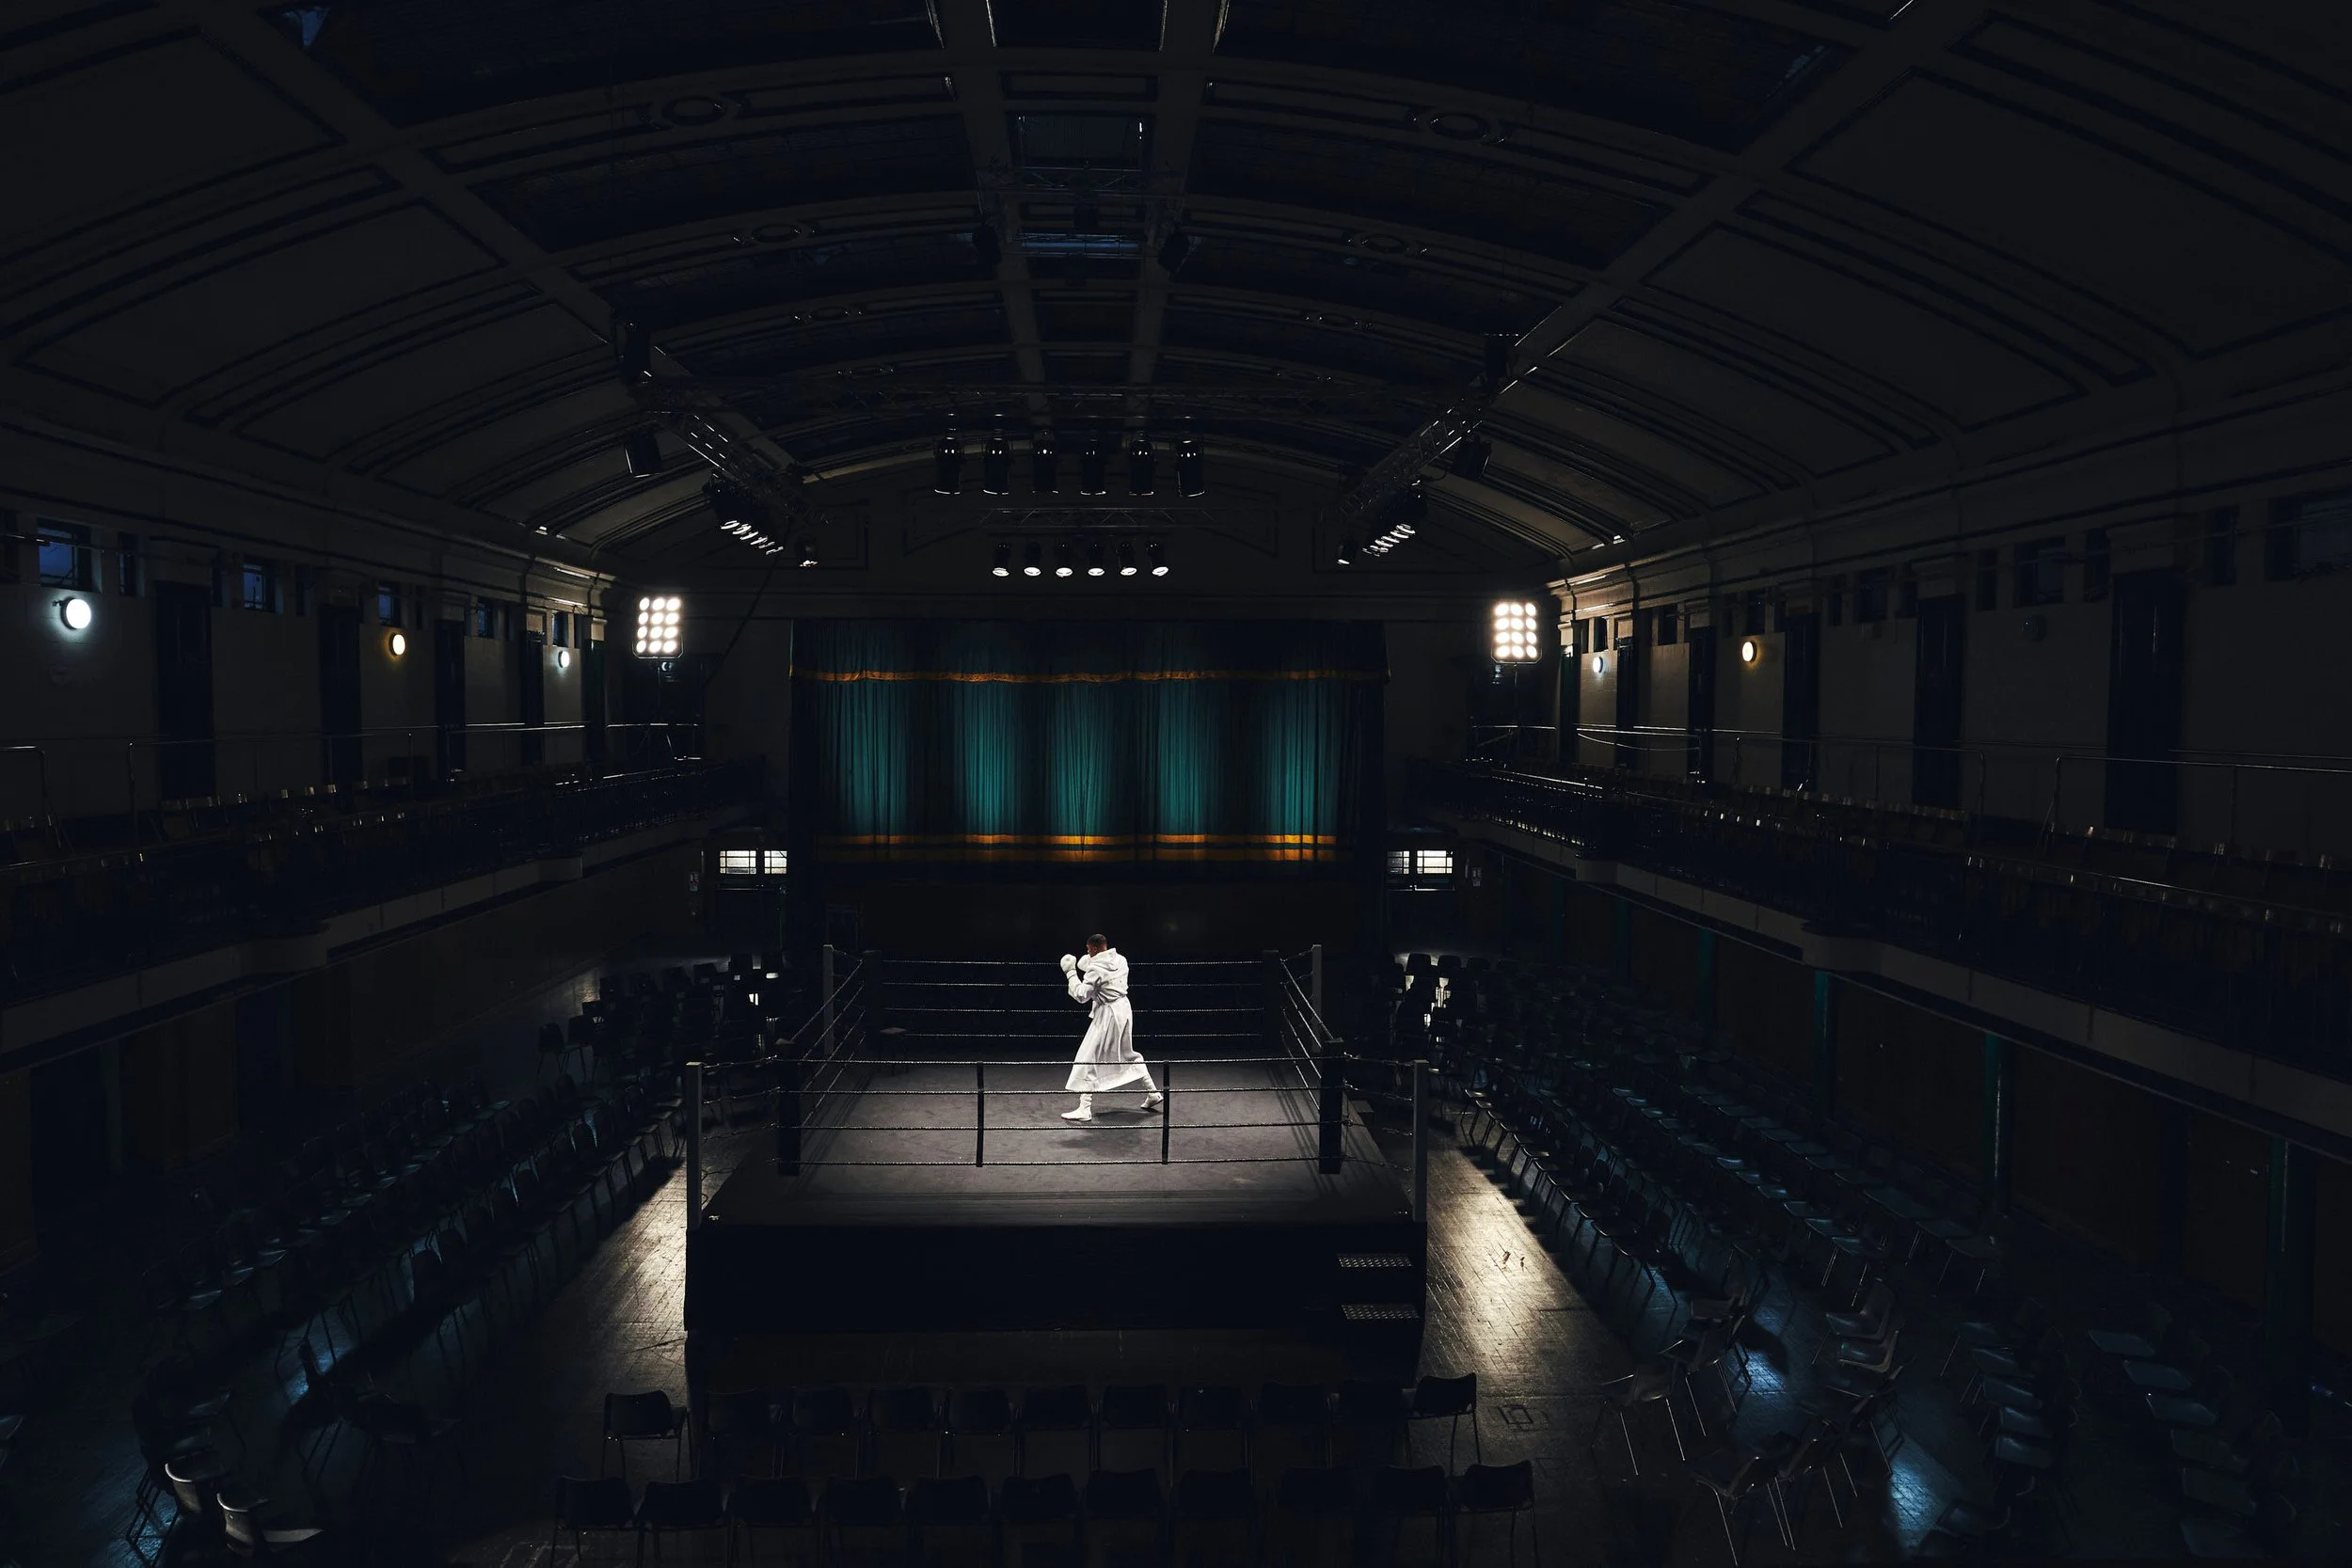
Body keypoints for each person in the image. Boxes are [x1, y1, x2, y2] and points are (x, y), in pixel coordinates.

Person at [1058, 933, 1162, 1123]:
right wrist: (1087, 962)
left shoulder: (1096, 968)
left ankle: (1084, 1108)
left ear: (1095, 948)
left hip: (1108, 1014)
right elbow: (1095, 966)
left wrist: (1070, 973)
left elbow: (1082, 995)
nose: (1087, 952)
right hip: (1123, 1008)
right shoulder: (1121, 959)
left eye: (1089, 949)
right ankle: (1153, 1092)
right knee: (1127, 1052)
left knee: (1088, 1057)